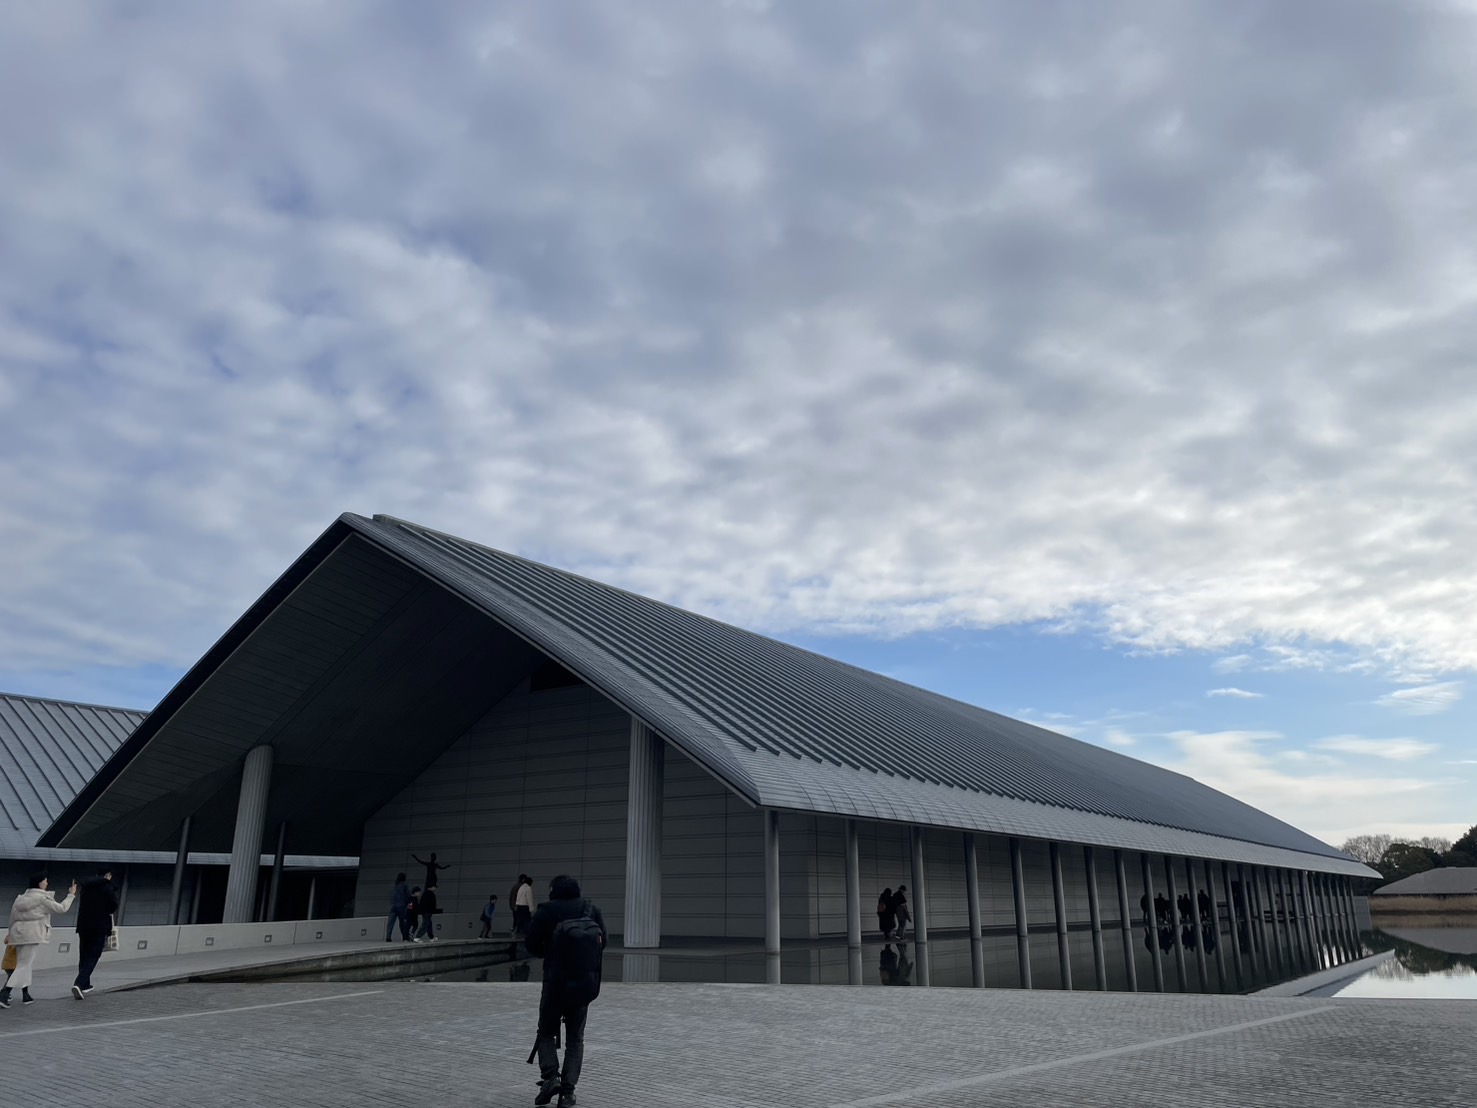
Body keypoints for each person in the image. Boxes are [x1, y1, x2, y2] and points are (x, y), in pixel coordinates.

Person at [525, 875, 606, 1108]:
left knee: (546, 1032)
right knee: (575, 1038)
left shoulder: (546, 911)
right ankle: (568, 1092)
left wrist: (549, 954)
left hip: (555, 984)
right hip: (583, 985)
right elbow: (604, 941)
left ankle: (551, 1077)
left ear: (553, 890)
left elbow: (530, 943)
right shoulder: (591, 909)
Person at [2, 874, 77, 1008]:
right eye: (45, 881)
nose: (46, 884)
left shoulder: (21, 898)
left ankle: (26, 995)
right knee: (23, 965)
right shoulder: (42, 899)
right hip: (33, 933)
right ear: (40, 883)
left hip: (18, 932)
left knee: (24, 964)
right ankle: (4, 994)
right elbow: (62, 908)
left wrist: (9, 933)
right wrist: (71, 895)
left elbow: (12, 918)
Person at [71, 867, 118, 998]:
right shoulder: (107, 887)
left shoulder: (86, 886)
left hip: (83, 925)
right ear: (108, 875)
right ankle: (79, 983)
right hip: (99, 925)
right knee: (93, 955)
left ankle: (85, 985)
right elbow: (113, 906)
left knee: (84, 955)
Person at [386, 873, 411, 942]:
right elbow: (408, 896)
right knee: (402, 922)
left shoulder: (394, 885)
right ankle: (405, 937)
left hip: (393, 906)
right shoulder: (405, 885)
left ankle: (388, 936)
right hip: (401, 906)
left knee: (390, 922)